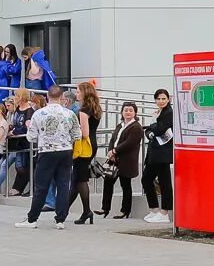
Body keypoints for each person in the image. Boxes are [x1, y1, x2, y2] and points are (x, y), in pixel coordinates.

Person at [17, 86, 78, 228]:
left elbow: (31, 137)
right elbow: (77, 135)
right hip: (65, 151)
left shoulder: (39, 114)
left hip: (46, 151)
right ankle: (60, 219)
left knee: (41, 186)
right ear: (62, 97)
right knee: (63, 185)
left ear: (47, 97)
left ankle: (32, 219)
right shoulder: (69, 113)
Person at [68, 81, 102, 225]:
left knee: (80, 178)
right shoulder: (95, 108)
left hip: (84, 146)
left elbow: (84, 132)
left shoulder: (83, 111)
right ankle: (64, 209)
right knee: (76, 178)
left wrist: (71, 132)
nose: (76, 93)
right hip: (92, 145)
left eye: (78, 91)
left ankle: (86, 211)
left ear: (84, 93)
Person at [100, 101, 142, 219]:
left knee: (125, 185)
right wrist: (111, 152)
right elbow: (113, 139)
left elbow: (129, 143)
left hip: (126, 160)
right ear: (122, 112)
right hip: (115, 159)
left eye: (130, 110)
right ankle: (105, 208)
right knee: (108, 181)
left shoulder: (136, 127)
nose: (128, 112)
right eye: (125, 110)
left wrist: (115, 151)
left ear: (135, 112)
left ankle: (125, 210)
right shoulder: (120, 125)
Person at [142, 88, 176, 223]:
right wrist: (151, 131)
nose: (161, 101)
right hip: (155, 152)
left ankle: (164, 213)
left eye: (163, 98)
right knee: (146, 179)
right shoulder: (160, 112)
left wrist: (153, 123)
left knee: (164, 182)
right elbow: (149, 131)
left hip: (163, 153)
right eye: (158, 98)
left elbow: (159, 129)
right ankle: (154, 209)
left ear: (168, 99)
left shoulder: (168, 113)